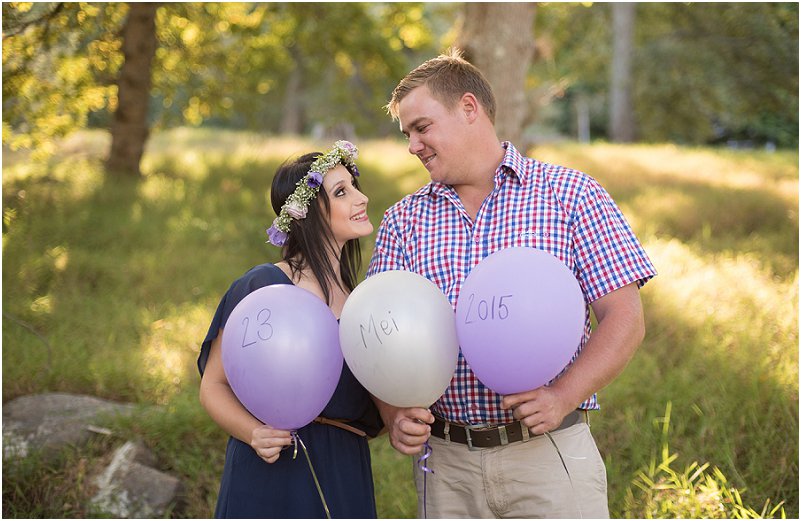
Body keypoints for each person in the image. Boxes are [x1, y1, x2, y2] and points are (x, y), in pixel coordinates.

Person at [367, 49, 657, 518]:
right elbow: (378, 336)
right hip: (447, 467)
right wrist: (392, 414)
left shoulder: (571, 196)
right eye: (406, 134)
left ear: (468, 108)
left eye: (422, 127)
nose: (412, 145)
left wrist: (563, 396)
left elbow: (625, 317)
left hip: (548, 457)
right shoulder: (404, 221)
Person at [198, 141, 381, 518]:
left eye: (355, 186)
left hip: (344, 467)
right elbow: (213, 386)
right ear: (309, 213)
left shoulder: (365, 301)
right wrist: (252, 433)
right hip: (272, 466)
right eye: (342, 192)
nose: (361, 198)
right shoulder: (264, 287)